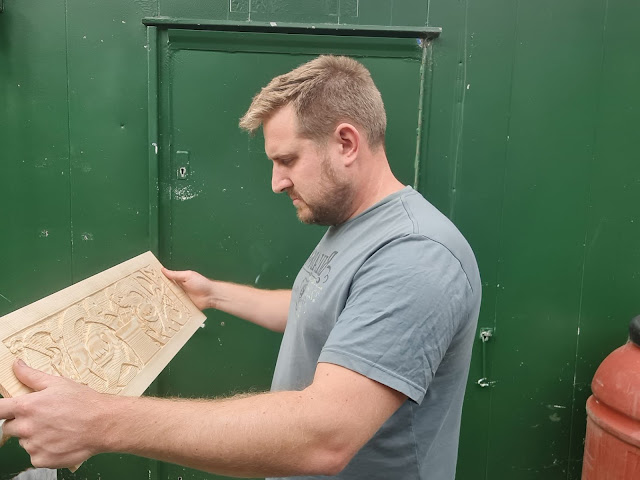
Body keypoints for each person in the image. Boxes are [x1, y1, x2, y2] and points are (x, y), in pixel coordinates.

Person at [0, 56, 481, 479]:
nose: (277, 182)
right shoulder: (353, 226)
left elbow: (325, 437)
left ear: (347, 143)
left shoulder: (414, 255)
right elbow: (318, 310)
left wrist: (101, 421)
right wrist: (212, 294)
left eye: (287, 160)